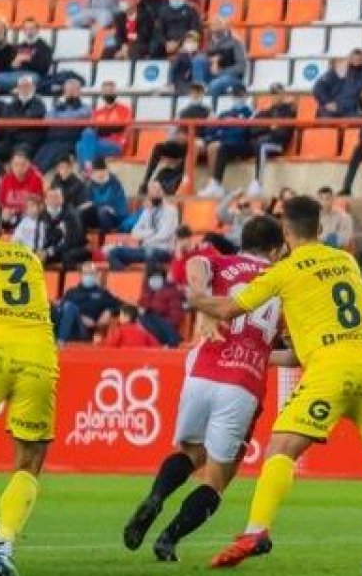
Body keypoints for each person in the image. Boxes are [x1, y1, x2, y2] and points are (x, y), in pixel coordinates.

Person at [194, 197, 362, 569]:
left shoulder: (284, 270)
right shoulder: (346, 261)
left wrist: (197, 298)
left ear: (285, 232)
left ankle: (256, 530)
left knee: (280, 447)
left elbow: (229, 309)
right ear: (321, 227)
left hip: (330, 367)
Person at [123, 217, 290, 560]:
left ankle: (155, 498)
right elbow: (296, 353)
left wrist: (200, 297)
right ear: (275, 250)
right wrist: (261, 356)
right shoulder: (282, 283)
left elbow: (195, 260)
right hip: (242, 383)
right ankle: (169, 537)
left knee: (190, 453)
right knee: (216, 477)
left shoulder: (223, 262)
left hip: (202, 370)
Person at [0, 196, 61, 575]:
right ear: (0, 228)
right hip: (38, 358)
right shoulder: (29, 259)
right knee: (29, 459)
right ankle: (3, 547)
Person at [105, 182, 179, 270]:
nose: (155, 194)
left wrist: (144, 237)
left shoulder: (171, 211)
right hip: (143, 249)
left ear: (163, 192)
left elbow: (164, 235)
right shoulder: (147, 211)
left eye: (157, 190)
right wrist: (152, 232)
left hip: (162, 250)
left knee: (150, 255)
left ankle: (149, 282)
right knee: (113, 253)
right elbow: (134, 233)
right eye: (152, 192)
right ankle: (126, 275)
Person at [55, 262, 122, 343]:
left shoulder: (102, 293)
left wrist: (110, 311)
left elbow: (120, 305)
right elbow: (60, 308)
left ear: (96, 275)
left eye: (91, 273)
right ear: (81, 275)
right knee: (54, 307)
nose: (88, 276)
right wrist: (80, 316)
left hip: (83, 330)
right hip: (68, 323)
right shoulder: (71, 292)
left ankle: (60, 342)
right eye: (86, 273)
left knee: (70, 307)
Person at [194, 16, 248, 98]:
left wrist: (220, 72)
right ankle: (200, 87)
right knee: (198, 59)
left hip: (230, 77)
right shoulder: (210, 44)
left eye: (219, 23)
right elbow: (205, 63)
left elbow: (241, 67)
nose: (215, 26)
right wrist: (211, 62)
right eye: (213, 24)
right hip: (212, 76)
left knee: (215, 85)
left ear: (225, 26)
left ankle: (206, 100)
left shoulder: (235, 42)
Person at [0, 150, 43, 232]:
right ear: (11, 165)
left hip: (28, 214)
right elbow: (0, 201)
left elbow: (36, 202)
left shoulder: (36, 178)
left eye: (23, 165)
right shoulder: (6, 179)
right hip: (10, 214)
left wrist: (16, 210)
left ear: (29, 164)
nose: (19, 168)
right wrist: (5, 210)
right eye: (16, 164)